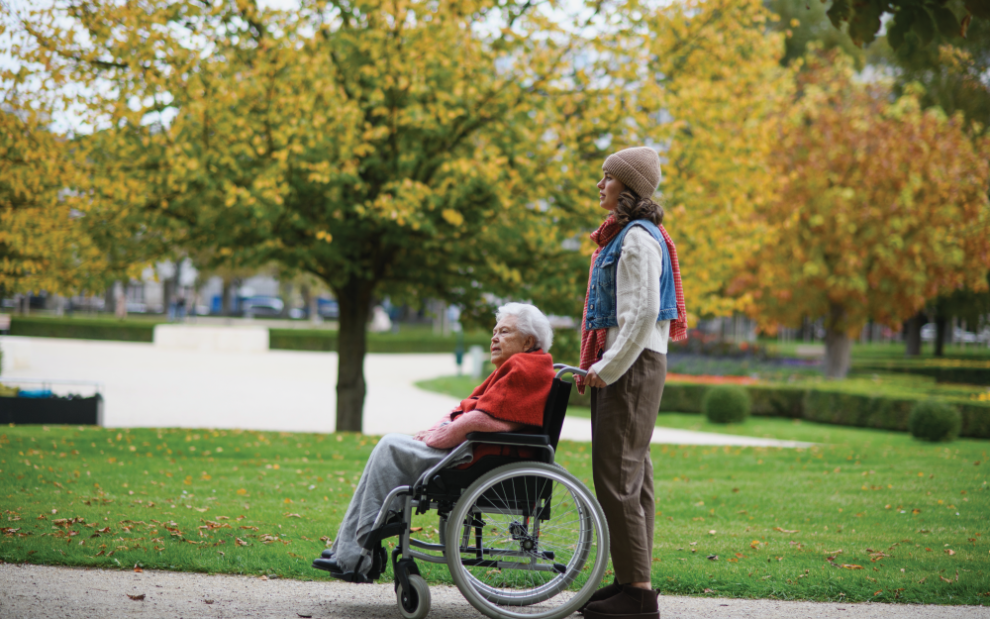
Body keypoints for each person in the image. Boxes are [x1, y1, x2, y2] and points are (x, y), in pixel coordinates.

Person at [311, 302, 556, 581]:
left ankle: (354, 556)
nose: (494, 338)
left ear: (528, 341)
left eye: (504, 332)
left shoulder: (526, 368)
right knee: (389, 446)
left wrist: (443, 434)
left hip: (476, 456)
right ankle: (349, 551)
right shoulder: (526, 365)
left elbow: (491, 420)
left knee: (389, 447)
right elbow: (489, 414)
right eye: (494, 331)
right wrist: (444, 428)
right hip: (479, 450)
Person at [576, 147, 687, 619]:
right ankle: (629, 581)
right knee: (632, 477)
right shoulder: (631, 235)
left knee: (618, 476)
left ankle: (638, 595)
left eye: (608, 178)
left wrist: (609, 365)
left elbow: (641, 314)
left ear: (629, 188)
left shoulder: (638, 240)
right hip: (634, 364)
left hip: (633, 366)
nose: (600, 185)